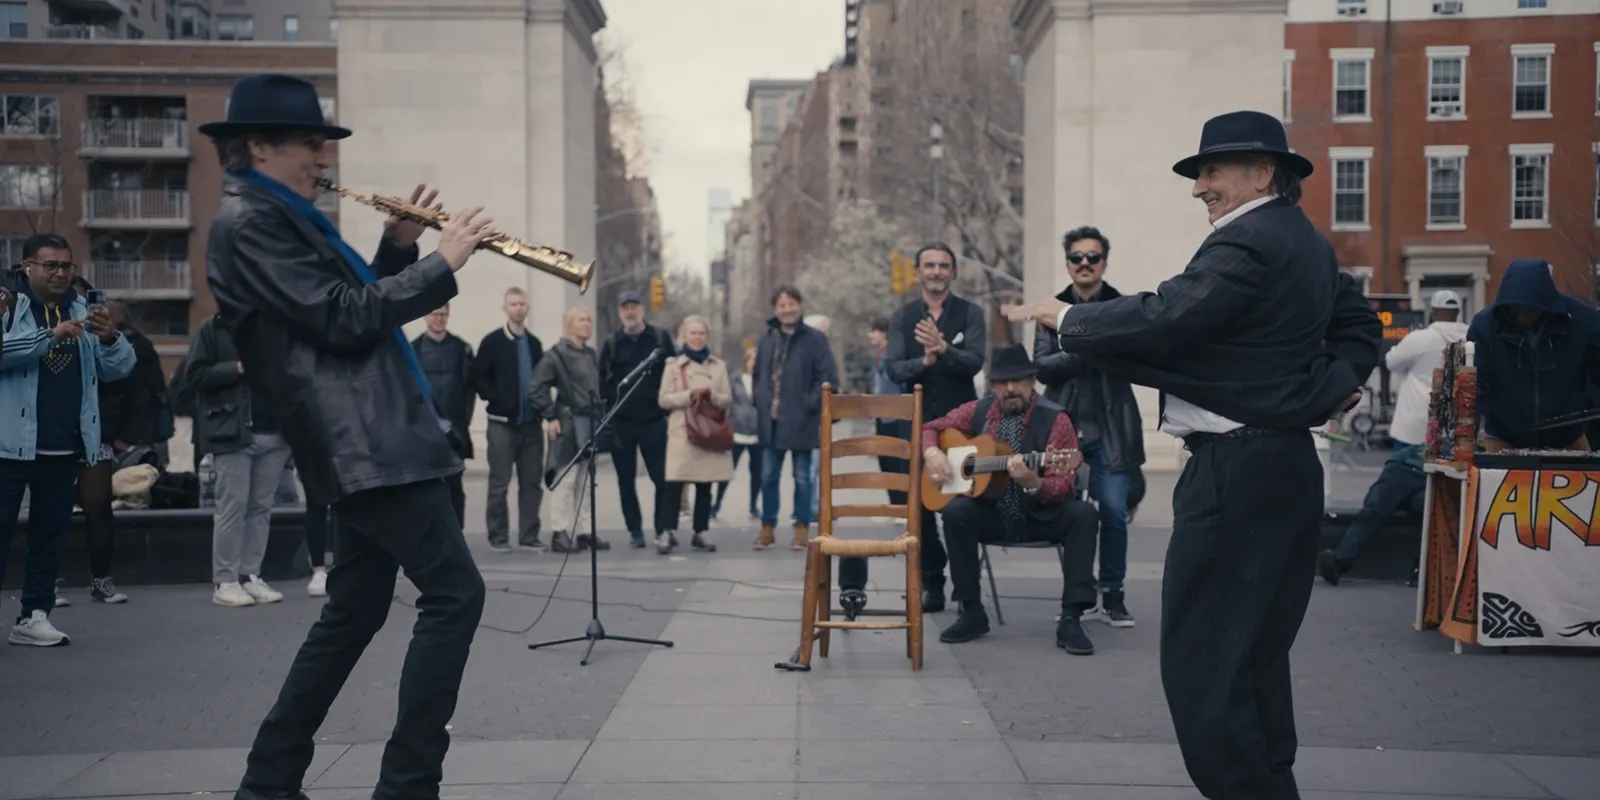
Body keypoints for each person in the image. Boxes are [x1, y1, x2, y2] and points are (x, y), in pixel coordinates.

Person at [1007, 110, 1381, 799]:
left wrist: (1064, 317)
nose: (1198, 187)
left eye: (1210, 171)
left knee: (1204, 660)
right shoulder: (1307, 244)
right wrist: (1323, 389)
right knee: (1257, 656)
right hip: (1282, 466)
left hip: (1236, 472)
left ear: (1262, 173)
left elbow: (1170, 314)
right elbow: (1359, 329)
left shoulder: (1247, 241)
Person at [199, 74, 496, 800]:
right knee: (455, 595)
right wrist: (441, 262)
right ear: (260, 146)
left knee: (354, 610)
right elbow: (341, 320)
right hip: (362, 444)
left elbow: (345, 308)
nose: (322, 159)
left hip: (363, 439)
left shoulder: (276, 213)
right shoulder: (250, 223)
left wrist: (397, 250)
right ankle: (407, 784)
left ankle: (269, 780)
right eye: (309, 145)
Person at [0, 233, 135, 646]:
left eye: (66, 266)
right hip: (8, 446)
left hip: (63, 445)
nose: (60, 273)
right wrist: (49, 337)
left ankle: (34, 615)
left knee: (49, 536)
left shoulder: (82, 308)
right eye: (50, 266)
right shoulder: (9, 305)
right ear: (27, 267)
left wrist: (111, 338)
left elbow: (120, 369)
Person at [922, 345, 1101, 653]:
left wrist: (1034, 483)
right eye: (1002, 382)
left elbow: (1065, 485)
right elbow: (931, 426)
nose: (1010, 389)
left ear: (1032, 381)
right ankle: (972, 611)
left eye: (1018, 380)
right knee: (955, 513)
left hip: (1039, 516)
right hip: (992, 514)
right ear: (993, 386)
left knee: (1083, 514)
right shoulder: (980, 411)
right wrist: (932, 452)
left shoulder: (1056, 420)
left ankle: (1071, 617)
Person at [1032, 225, 1145, 628]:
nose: (1084, 264)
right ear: (1067, 264)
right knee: (1071, 515)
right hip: (1064, 430)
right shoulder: (1050, 310)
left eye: (1092, 257)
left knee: (1114, 513)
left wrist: (1081, 345)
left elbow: (1131, 359)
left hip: (1111, 431)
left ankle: (1113, 594)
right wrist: (1086, 349)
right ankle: (1077, 597)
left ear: (1103, 263)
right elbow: (1042, 366)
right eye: (1077, 257)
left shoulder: (1123, 305)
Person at [880, 242, 987, 612]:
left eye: (944, 265)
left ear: (953, 272)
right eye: (930, 265)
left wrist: (946, 349)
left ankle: (966, 589)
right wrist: (925, 359)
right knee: (918, 508)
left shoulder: (971, 313)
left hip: (961, 426)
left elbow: (974, 362)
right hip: (916, 425)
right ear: (918, 271)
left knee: (960, 506)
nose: (937, 271)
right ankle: (932, 582)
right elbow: (894, 368)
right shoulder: (903, 317)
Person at [186, 311, 292, 607]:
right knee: (232, 507)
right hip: (233, 432)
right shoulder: (213, 328)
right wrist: (237, 368)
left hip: (276, 433)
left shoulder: (278, 326)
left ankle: (250, 576)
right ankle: (225, 581)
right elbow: (193, 376)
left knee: (261, 508)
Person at [1467, 258, 1600, 452]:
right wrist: (1465, 437)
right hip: (1504, 438)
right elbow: (1475, 386)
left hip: (1568, 437)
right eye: (1515, 308)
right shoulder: (1485, 326)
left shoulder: (1583, 322)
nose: (1521, 315)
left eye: (1529, 308)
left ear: (1546, 303)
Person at [751, 285, 837, 550]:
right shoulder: (767, 338)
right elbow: (757, 377)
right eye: (781, 305)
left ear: (799, 306)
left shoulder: (815, 340)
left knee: (803, 478)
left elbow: (828, 379)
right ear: (775, 309)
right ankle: (767, 528)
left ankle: (801, 529)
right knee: (768, 477)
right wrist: (761, 402)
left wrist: (807, 405)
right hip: (771, 422)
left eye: (791, 304)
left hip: (802, 421)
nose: (786, 309)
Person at [597, 290, 676, 548]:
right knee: (625, 480)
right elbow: (602, 381)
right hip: (623, 422)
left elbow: (673, 371)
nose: (630, 312)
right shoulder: (612, 343)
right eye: (625, 308)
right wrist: (609, 412)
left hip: (654, 420)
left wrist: (667, 409)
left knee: (661, 478)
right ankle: (635, 531)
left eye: (634, 306)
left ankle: (662, 528)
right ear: (620, 312)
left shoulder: (660, 338)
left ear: (642, 309)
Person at [471, 287, 545, 552]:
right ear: (505, 309)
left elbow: (541, 381)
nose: (518, 308)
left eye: (522, 304)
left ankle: (528, 534)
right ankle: (498, 535)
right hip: (501, 423)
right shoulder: (492, 342)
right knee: (499, 483)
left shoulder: (535, 344)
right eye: (513, 304)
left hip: (531, 424)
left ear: (527, 308)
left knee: (531, 483)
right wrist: (495, 397)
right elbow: (478, 376)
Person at [529, 307, 605, 553]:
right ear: (570, 325)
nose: (586, 324)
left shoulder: (591, 354)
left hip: (590, 422)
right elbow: (536, 389)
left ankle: (585, 532)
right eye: (581, 320)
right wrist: (550, 416)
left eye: (588, 319)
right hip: (569, 423)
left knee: (585, 481)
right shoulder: (555, 355)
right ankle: (559, 533)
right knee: (567, 479)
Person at [657, 315, 732, 554]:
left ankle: (701, 531)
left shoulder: (718, 365)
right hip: (682, 431)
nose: (697, 337)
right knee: (674, 484)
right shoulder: (673, 365)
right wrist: (689, 394)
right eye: (693, 333)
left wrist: (713, 396)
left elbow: (727, 398)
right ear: (684, 337)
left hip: (708, 431)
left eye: (701, 333)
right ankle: (666, 532)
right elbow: (663, 399)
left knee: (704, 484)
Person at [412, 304, 476, 527]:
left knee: (455, 486)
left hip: (454, 430)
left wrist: (463, 420)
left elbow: (469, 388)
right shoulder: (414, 350)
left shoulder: (461, 348)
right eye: (434, 314)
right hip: (425, 431)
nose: (439, 319)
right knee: (425, 486)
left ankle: (457, 532)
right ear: (425, 316)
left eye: (443, 314)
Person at [1383, 290, 1468, 449]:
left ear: (1434, 312)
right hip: (1454, 425)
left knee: (1407, 471)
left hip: (1415, 427)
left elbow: (1391, 362)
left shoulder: (1420, 338)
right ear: (1457, 312)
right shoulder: (1472, 338)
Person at [713, 345, 760, 521]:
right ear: (745, 361)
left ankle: (753, 506)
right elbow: (727, 402)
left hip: (757, 434)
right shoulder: (734, 379)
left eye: (757, 359)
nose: (753, 363)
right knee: (727, 472)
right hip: (737, 432)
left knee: (757, 473)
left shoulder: (763, 380)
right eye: (751, 359)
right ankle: (716, 505)